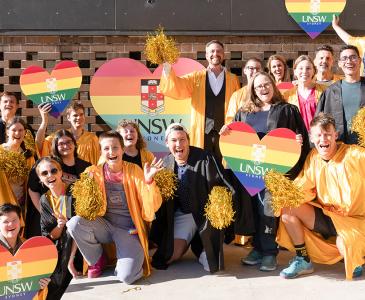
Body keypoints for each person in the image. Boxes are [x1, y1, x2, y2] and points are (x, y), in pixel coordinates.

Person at [220, 71, 310, 271]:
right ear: (252, 89)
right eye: (258, 86)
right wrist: (226, 132)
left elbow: (299, 137)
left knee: (267, 209)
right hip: (250, 170)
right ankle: (258, 249)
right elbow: (236, 137)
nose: (263, 89)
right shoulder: (244, 112)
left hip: (274, 171)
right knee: (252, 209)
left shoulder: (287, 110)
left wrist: (298, 141)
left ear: (273, 85)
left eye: (266, 84)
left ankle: (270, 251)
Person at [67, 131, 162, 284]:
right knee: (74, 223)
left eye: (115, 147)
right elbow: (83, 211)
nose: (111, 152)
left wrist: (149, 181)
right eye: (106, 148)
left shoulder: (134, 170)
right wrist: (71, 257)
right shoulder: (92, 173)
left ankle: (124, 260)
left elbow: (150, 206)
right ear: (101, 151)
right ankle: (98, 259)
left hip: (129, 230)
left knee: (127, 277)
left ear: (122, 149)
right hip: (104, 227)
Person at [277, 113, 365, 280]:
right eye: (318, 135)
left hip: (353, 220)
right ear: (311, 137)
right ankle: (303, 259)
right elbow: (303, 187)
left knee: (345, 247)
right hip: (328, 216)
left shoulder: (355, 155)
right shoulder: (314, 157)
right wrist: (283, 194)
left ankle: (356, 253)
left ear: (336, 135)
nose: (323, 139)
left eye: (327, 134)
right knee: (288, 208)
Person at [150, 123, 234, 272]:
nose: (178, 144)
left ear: (188, 141)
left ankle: (203, 248)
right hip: (185, 214)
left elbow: (224, 187)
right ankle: (191, 241)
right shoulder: (166, 164)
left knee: (212, 265)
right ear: (166, 143)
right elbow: (158, 201)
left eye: (182, 139)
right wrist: (149, 181)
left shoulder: (206, 158)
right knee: (169, 256)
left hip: (206, 216)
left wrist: (218, 208)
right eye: (174, 140)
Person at [160, 40, 240, 162]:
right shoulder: (196, 77)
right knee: (203, 163)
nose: (215, 54)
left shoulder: (233, 79)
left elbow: (237, 105)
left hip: (225, 131)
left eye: (219, 51)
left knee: (224, 166)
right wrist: (166, 66)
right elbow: (177, 85)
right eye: (212, 51)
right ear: (207, 55)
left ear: (223, 55)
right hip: (203, 131)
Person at [26, 130, 90, 238]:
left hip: (75, 218)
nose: (65, 146)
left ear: (74, 143)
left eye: (69, 142)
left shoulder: (86, 167)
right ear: (55, 146)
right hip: (51, 219)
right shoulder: (49, 164)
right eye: (61, 143)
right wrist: (45, 212)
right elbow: (32, 188)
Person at [37, 157, 82, 299]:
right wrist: (59, 226)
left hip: (80, 248)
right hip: (59, 249)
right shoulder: (45, 199)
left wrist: (70, 260)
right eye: (44, 173)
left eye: (53, 171)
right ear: (40, 179)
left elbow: (80, 227)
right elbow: (50, 235)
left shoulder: (74, 191)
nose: (50, 175)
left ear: (61, 172)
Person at [316, 45, 365, 144]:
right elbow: (319, 124)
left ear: (360, 61)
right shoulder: (330, 92)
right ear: (339, 64)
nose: (349, 61)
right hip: (339, 150)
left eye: (353, 57)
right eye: (344, 58)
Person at [0, 203, 50, 300]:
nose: (11, 224)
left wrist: (40, 286)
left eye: (14, 220)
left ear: (20, 221)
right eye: (5, 221)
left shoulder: (29, 247)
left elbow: (35, 279)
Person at [0, 117, 35, 218]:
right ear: (7, 132)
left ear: (25, 132)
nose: (17, 133)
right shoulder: (1, 152)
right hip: (2, 203)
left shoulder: (28, 155)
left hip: (20, 204)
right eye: (14, 130)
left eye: (20, 130)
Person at [284, 55, 326, 130]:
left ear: (314, 71)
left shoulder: (324, 91)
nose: (304, 71)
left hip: (319, 136)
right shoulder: (287, 95)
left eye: (308, 68)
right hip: (298, 138)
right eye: (301, 68)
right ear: (295, 71)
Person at [225, 57, 262, 124]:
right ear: (245, 71)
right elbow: (230, 119)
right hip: (244, 132)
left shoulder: (266, 93)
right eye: (251, 68)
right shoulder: (237, 95)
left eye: (258, 69)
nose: (255, 71)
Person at [0, 91, 37, 156]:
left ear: (17, 106)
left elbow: (32, 151)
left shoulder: (26, 128)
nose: (8, 104)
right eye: (5, 101)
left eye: (12, 102)